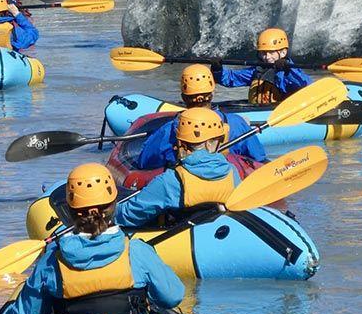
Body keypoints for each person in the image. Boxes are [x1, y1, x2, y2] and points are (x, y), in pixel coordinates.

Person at [0, 163, 185, 314]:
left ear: (69, 210)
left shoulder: (52, 260)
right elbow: (172, 296)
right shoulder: (137, 251)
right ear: (113, 205)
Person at [116, 108, 246, 230]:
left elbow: (130, 215)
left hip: (182, 245)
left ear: (180, 143)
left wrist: (106, 212)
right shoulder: (232, 172)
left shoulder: (170, 180)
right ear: (217, 142)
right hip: (218, 235)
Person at [136, 64, 266, 170]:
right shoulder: (236, 123)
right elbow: (259, 158)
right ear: (212, 93)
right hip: (227, 186)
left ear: (183, 97)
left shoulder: (169, 131)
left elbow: (144, 163)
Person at [212, 27, 311, 105]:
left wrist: (288, 71)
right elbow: (231, 78)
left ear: (283, 52)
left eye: (271, 52)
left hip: (279, 113)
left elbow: (305, 84)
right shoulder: (258, 70)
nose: (267, 57)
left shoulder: (289, 71)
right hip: (259, 110)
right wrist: (218, 69)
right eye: (263, 53)